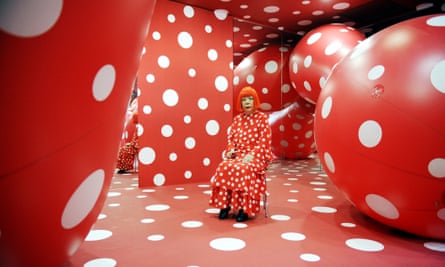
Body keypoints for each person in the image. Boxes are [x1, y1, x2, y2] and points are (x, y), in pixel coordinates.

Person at [209, 86, 274, 222]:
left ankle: (244, 209)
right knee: (224, 166)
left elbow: (265, 141)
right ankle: (225, 206)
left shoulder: (262, 119)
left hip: (256, 156)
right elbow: (231, 139)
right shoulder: (237, 120)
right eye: (244, 100)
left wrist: (254, 154)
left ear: (255, 100)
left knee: (244, 169)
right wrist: (231, 149)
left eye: (250, 99)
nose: (247, 102)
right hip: (239, 155)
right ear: (241, 103)